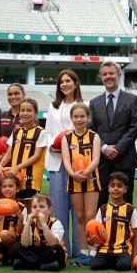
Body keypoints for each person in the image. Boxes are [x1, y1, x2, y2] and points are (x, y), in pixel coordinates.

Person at [89, 61, 137, 206]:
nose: (108, 77)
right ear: (101, 77)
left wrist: (117, 148)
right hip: (102, 161)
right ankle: (100, 230)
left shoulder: (133, 100)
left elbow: (135, 127)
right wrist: (104, 148)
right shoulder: (94, 103)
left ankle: (125, 229)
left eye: (111, 73)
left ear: (118, 75)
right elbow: (92, 129)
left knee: (125, 201)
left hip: (125, 159)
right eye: (104, 74)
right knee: (100, 202)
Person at [45, 69, 84, 258]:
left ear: (75, 83)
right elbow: (48, 131)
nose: (65, 84)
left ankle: (79, 249)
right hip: (57, 160)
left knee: (79, 209)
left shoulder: (84, 104)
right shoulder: (54, 106)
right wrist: (54, 146)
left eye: (68, 81)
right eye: (61, 82)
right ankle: (62, 248)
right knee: (59, 208)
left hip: (78, 162)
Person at [61, 103, 101, 266]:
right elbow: (66, 159)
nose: (79, 119)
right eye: (76, 116)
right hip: (74, 180)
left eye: (82, 116)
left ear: (88, 118)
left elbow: (96, 159)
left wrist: (85, 173)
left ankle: (93, 252)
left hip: (90, 180)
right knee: (79, 216)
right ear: (71, 118)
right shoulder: (66, 138)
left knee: (91, 217)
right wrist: (73, 174)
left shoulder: (94, 136)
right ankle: (83, 252)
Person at [0, 98, 48, 208]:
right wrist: (0, 166)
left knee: (32, 212)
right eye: (23, 110)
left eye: (29, 110)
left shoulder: (41, 132)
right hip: (15, 178)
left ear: (35, 113)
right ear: (19, 112)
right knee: (17, 211)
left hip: (31, 179)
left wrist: (17, 167)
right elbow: (9, 154)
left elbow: (36, 156)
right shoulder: (16, 132)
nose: (25, 113)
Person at [90, 172, 137, 272]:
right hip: (105, 249)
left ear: (125, 189)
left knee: (124, 266)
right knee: (95, 266)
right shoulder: (102, 209)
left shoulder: (130, 210)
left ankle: (121, 261)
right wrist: (91, 241)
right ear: (108, 189)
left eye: (120, 186)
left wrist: (135, 258)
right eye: (112, 186)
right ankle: (114, 261)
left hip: (123, 249)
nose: (116, 189)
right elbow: (95, 232)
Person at [12, 193, 66, 272]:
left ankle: (26, 264)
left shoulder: (56, 223)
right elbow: (24, 244)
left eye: (41, 207)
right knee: (16, 246)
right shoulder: (31, 223)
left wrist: (43, 223)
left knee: (57, 248)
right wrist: (27, 224)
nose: (37, 209)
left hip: (50, 252)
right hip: (35, 252)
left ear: (50, 210)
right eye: (34, 207)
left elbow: (52, 243)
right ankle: (43, 266)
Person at [0, 84, 25, 199]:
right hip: (2, 167)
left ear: (24, 95)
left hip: (20, 167)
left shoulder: (29, 117)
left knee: (21, 206)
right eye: (10, 94)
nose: (13, 96)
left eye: (17, 93)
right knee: (2, 206)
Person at [0, 175, 27, 268]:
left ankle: (11, 254)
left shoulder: (21, 206)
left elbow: (19, 232)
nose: (7, 189)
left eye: (10, 186)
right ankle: (6, 256)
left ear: (17, 189)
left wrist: (20, 216)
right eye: (4, 186)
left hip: (15, 241)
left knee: (5, 234)